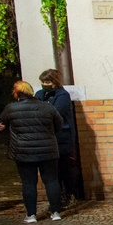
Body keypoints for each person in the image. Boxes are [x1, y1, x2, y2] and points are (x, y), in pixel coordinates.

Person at [0, 81, 63, 222]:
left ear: (16, 93)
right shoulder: (47, 107)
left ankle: (31, 215)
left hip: (23, 151)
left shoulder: (11, 108)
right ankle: (56, 212)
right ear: (31, 91)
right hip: (48, 149)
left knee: (28, 183)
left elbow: (2, 123)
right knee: (51, 180)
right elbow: (59, 124)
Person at [36, 69, 83, 202]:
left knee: (65, 168)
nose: (45, 84)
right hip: (47, 138)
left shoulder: (62, 95)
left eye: (48, 81)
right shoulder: (40, 94)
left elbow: (55, 113)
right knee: (53, 171)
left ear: (54, 82)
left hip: (62, 137)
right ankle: (59, 196)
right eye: (43, 81)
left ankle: (69, 193)